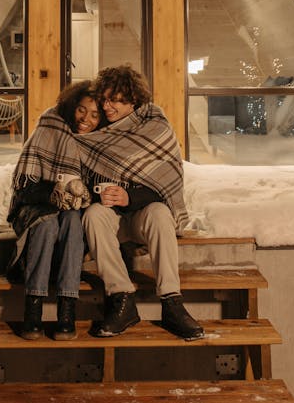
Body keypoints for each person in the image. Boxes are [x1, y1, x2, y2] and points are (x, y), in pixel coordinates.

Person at [80, 65, 205, 341]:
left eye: (114, 99)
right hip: (111, 218)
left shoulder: (155, 126)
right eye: (104, 99)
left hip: (141, 215)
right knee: (93, 215)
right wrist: (97, 191)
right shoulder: (97, 129)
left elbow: (166, 183)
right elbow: (79, 174)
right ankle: (122, 298)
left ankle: (172, 302)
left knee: (161, 213)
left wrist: (129, 196)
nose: (106, 105)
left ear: (133, 99)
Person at [6, 81, 100, 340]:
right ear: (72, 106)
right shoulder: (51, 123)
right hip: (37, 205)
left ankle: (66, 310)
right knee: (47, 223)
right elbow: (24, 187)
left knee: (71, 222)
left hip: (73, 211)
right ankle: (32, 309)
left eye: (94, 115)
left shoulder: (100, 140)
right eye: (82, 110)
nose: (86, 119)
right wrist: (53, 194)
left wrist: (83, 196)